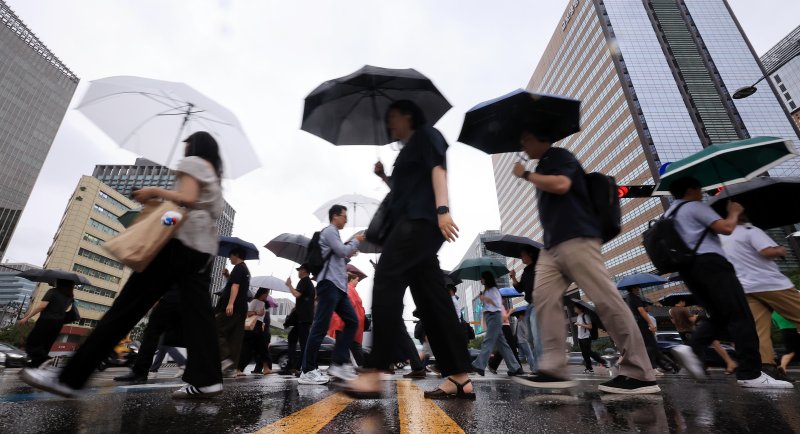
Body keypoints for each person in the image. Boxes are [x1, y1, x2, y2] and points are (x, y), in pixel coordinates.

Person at [22, 131, 225, 399]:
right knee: (200, 318)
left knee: (126, 308)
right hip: (202, 252)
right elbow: (193, 206)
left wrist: (154, 191)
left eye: (186, 144)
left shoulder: (193, 164)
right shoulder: (215, 180)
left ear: (195, 146)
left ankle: (70, 378)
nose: (183, 148)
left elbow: (186, 199)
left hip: (178, 246)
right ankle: (208, 379)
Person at [340, 100, 474, 400]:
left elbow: (438, 170)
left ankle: (374, 373)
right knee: (432, 301)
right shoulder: (406, 151)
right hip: (411, 223)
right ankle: (460, 377)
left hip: (419, 224)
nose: (390, 125)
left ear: (409, 115)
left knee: (386, 282)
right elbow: (405, 192)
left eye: (393, 118)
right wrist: (384, 177)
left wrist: (443, 210)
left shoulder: (428, 135)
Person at [510, 126, 658, 394]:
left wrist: (527, 175)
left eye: (526, 137)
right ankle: (553, 368)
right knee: (543, 300)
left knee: (606, 300)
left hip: (578, 237)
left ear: (541, 136)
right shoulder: (546, 162)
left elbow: (562, 184)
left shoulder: (558, 156)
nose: (523, 143)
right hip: (552, 246)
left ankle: (640, 372)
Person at [666, 176, 790, 388]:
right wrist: (733, 212)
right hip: (712, 265)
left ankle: (692, 348)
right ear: (691, 189)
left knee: (722, 315)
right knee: (742, 316)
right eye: (700, 189)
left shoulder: (669, 213)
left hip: (688, 269)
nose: (702, 193)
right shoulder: (694, 206)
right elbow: (725, 228)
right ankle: (751, 374)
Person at [721, 217, 800, 382]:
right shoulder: (751, 231)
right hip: (770, 283)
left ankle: (766, 368)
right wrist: (779, 250)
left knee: (760, 330)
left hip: (745, 288)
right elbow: (766, 252)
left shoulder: (722, 237)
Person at [299, 204, 361, 385]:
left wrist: (349, 252)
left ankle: (338, 363)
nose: (346, 219)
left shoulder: (335, 235)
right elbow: (341, 251)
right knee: (320, 327)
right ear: (335, 216)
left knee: (352, 321)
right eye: (344, 216)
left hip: (339, 288)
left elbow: (340, 255)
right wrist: (356, 240)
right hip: (329, 285)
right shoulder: (330, 231)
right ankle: (308, 370)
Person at [113, 286, 185, 382]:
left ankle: (141, 372)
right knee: (162, 341)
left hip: (175, 296)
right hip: (182, 296)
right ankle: (146, 371)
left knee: (154, 334)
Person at [472, 272, 523, 376]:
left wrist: (486, 299)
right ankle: (515, 367)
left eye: (482, 278)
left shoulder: (494, 290)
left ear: (486, 279)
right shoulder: (486, 291)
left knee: (488, 341)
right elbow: (488, 305)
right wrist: (483, 299)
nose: (480, 280)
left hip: (494, 317)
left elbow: (497, 304)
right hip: (490, 317)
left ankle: (479, 365)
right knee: (503, 345)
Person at [19, 279, 76, 368]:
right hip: (58, 323)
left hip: (46, 320)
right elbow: (65, 309)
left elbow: (42, 306)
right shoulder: (70, 296)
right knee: (46, 345)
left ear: (61, 283)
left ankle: (45, 359)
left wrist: (27, 317)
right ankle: (35, 365)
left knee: (32, 342)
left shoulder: (53, 291)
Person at [215, 247, 251, 376]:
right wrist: (227, 276)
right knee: (235, 338)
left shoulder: (238, 268)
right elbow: (237, 283)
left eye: (230, 256)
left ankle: (225, 359)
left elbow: (235, 286)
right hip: (241, 309)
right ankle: (232, 369)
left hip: (233, 307)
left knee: (215, 329)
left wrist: (230, 303)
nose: (229, 259)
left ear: (236, 255)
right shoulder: (245, 270)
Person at [509, 245, 540, 371]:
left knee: (537, 336)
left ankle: (539, 368)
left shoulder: (539, 268)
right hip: (530, 305)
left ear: (530, 254)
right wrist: (514, 278)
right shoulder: (527, 270)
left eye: (523, 254)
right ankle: (538, 367)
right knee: (530, 337)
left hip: (539, 303)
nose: (521, 257)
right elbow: (520, 288)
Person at [328, 273, 366, 366]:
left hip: (347, 323)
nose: (358, 282)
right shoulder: (349, 289)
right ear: (351, 279)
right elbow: (351, 306)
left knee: (347, 346)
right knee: (353, 346)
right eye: (357, 280)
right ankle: (340, 366)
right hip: (346, 323)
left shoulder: (350, 289)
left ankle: (339, 366)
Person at [284, 264, 315, 375]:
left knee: (303, 343)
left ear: (304, 271)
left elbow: (297, 294)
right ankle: (292, 365)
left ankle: (300, 367)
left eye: (299, 270)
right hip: (303, 317)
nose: (298, 272)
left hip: (303, 318)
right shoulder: (309, 283)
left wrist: (289, 285)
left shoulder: (304, 281)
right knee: (293, 338)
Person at [238, 288, 272, 375]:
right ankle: (238, 369)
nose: (267, 295)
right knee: (247, 348)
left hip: (260, 326)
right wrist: (257, 312)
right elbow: (247, 313)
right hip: (253, 327)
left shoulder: (263, 303)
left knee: (263, 348)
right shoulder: (255, 301)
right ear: (262, 293)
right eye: (266, 293)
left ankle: (266, 368)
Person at [487, 303, 522, 375]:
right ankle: (517, 368)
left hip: (504, 327)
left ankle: (493, 365)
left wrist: (506, 311)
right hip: (503, 327)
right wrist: (510, 312)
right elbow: (504, 318)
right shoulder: (497, 305)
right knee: (510, 347)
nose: (504, 299)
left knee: (505, 347)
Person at [574, 304, 606, 373]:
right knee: (584, 353)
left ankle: (603, 361)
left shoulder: (585, 316)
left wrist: (580, 324)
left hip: (586, 337)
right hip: (580, 337)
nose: (574, 309)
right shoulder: (578, 316)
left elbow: (590, 326)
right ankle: (589, 368)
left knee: (588, 352)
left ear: (580, 309)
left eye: (576, 308)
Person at [773, 312, 799, 379]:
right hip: (795, 330)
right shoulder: (787, 308)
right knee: (792, 353)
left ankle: (782, 367)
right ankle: (782, 367)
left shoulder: (774, 313)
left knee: (790, 352)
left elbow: (776, 325)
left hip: (784, 332)